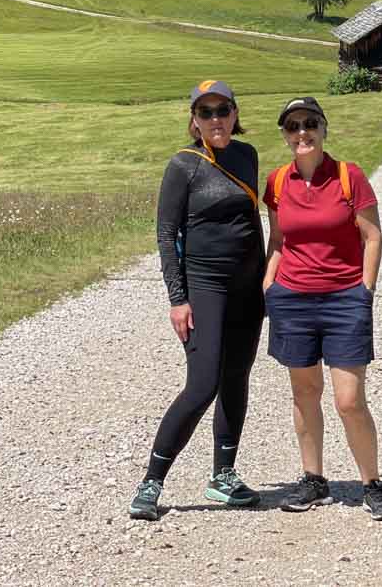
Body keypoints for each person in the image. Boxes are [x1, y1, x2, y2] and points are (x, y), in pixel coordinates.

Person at [130, 80, 266, 521]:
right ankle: (151, 482)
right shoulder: (182, 166)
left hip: (248, 289)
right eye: (205, 113)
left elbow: (254, 220)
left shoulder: (247, 156)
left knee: (236, 378)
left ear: (234, 112)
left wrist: (267, 279)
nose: (215, 120)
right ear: (194, 120)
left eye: (222, 110)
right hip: (205, 285)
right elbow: (166, 235)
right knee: (202, 383)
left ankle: (222, 475)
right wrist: (178, 298)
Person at [262, 95, 382, 521]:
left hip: (344, 300)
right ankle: (313, 479)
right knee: (304, 393)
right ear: (285, 135)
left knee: (348, 399)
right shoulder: (278, 182)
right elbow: (279, 241)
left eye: (310, 124)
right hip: (293, 299)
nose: (302, 132)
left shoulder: (348, 176)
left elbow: (372, 236)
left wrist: (365, 290)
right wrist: (269, 284)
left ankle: (372, 484)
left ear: (323, 129)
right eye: (293, 126)